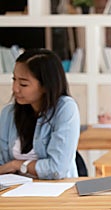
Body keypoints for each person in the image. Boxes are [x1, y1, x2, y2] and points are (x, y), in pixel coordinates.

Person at [0, 48, 80, 179]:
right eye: (14, 79)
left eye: (23, 84)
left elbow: (56, 169)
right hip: (14, 192)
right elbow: (2, 165)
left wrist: (16, 165)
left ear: (45, 86)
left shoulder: (65, 108)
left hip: (57, 192)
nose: (15, 88)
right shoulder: (8, 113)